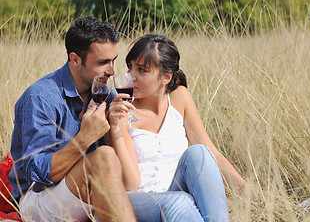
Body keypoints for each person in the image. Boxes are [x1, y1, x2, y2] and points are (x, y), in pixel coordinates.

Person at [9, 17, 201, 222]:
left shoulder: (106, 97)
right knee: (104, 156)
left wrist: (117, 128)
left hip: (91, 194)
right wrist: (84, 138)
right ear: (75, 59)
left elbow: (127, 177)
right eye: (103, 62)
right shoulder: (41, 98)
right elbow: (36, 173)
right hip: (40, 199)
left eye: (113, 60)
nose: (111, 71)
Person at [107, 34, 248, 222]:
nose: (132, 76)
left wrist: (250, 194)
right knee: (180, 201)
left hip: (177, 195)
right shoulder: (124, 111)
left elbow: (211, 154)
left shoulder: (180, 98)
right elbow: (131, 185)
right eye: (130, 67)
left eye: (142, 70)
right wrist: (115, 128)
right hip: (138, 202)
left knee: (199, 152)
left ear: (166, 77)